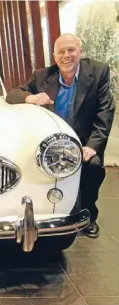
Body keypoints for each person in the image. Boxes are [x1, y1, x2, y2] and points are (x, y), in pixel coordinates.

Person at [6, 33, 115, 238]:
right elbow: (12, 95)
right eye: (61, 52)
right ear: (55, 57)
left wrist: (93, 145)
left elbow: (105, 110)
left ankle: (88, 216)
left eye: (71, 50)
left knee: (92, 167)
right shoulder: (42, 76)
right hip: (51, 144)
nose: (67, 56)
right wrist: (31, 97)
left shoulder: (98, 72)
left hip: (83, 141)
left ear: (80, 52)